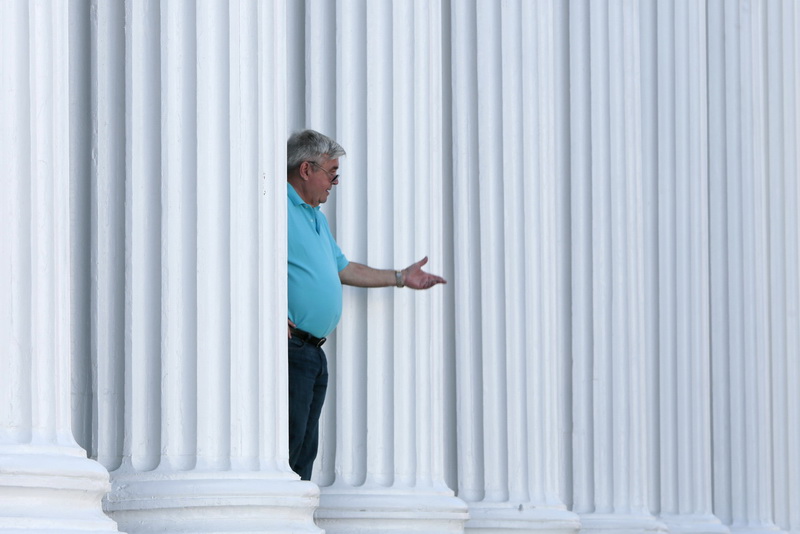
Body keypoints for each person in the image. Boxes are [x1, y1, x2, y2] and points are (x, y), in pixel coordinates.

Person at [286, 129, 446, 480]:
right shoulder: (276, 206)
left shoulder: (315, 217)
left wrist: (401, 277)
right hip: (291, 349)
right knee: (289, 450)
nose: (335, 182)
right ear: (306, 170)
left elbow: (343, 268)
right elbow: (246, 257)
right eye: (332, 172)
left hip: (313, 352)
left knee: (303, 455)